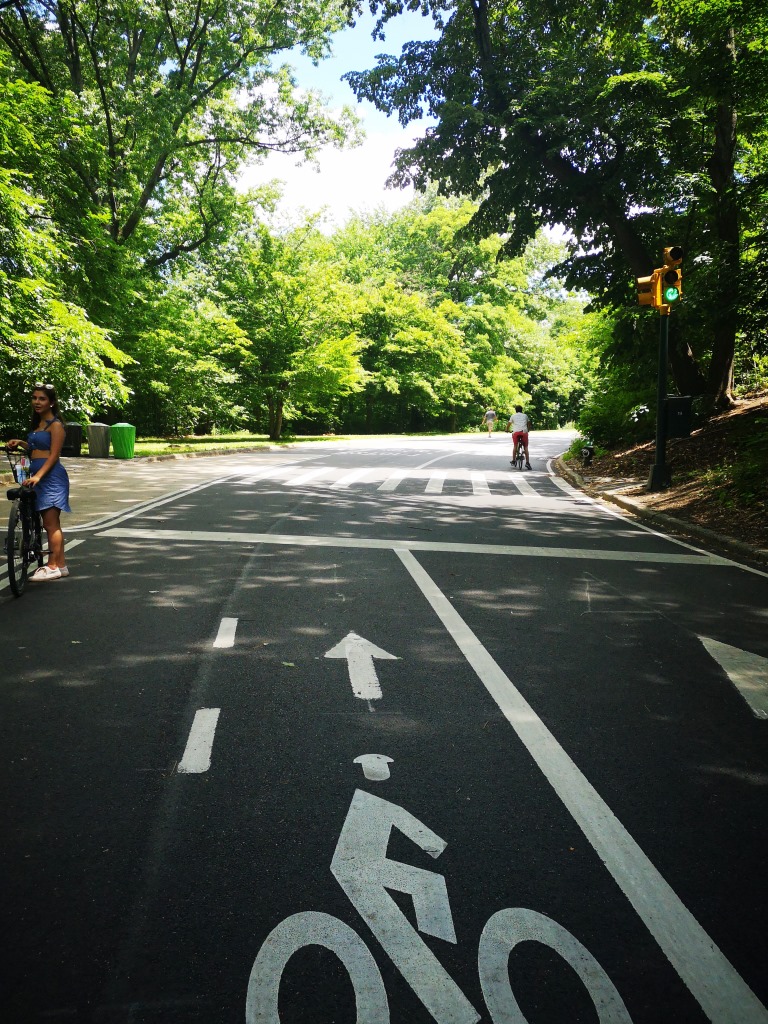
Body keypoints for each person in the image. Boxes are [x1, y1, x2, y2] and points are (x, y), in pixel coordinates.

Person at [7, 383, 71, 580]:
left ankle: (52, 566)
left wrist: (38, 476)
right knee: (48, 524)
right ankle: (60, 566)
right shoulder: (38, 425)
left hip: (51, 477)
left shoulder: (56, 425)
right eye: (34, 398)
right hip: (37, 476)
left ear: (51, 403)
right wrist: (21, 443)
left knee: (51, 524)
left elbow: (53, 455)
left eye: (42, 398)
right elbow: (37, 449)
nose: (37, 402)